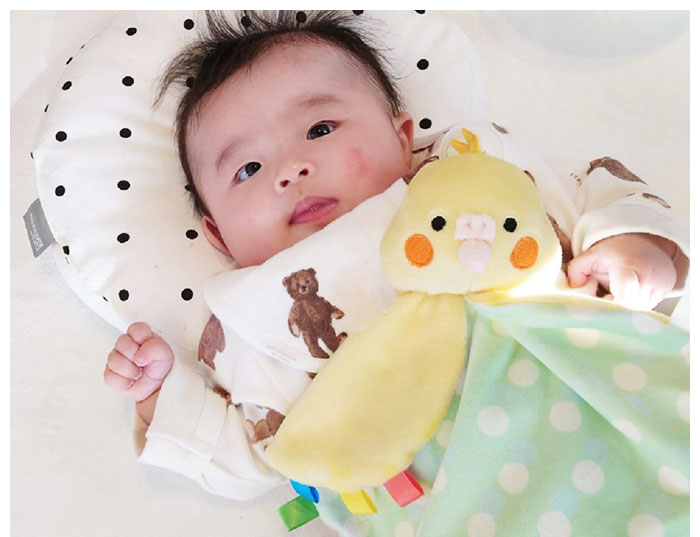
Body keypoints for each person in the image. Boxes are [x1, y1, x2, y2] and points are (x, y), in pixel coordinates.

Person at [103, 10, 688, 500]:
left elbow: (593, 190)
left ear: (402, 138)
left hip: (604, 393)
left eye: (320, 129)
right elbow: (262, 454)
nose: (291, 169)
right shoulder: (250, 318)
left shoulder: (467, 166)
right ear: (219, 236)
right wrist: (162, 401)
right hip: (464, 502)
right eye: (248, 168)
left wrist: (632, 245)